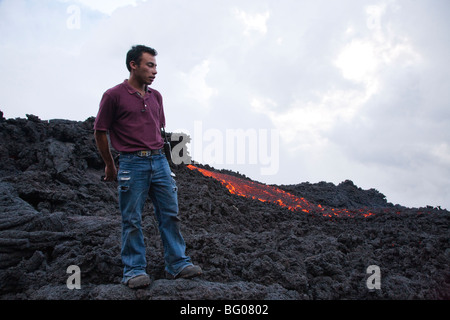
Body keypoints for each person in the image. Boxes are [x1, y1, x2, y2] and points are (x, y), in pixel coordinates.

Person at [94, 45, 202, 289]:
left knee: (170, 214)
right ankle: (133, 270)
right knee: (131, 219)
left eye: (155, 66)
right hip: (132, 163)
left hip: (159, 161)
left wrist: (170, 160)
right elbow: (100, 131)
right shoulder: (113, 95)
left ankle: (178, 264)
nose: (154, 71)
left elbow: (157, 128)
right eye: (149, 65)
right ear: (133, 65)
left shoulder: (156, 96)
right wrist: (110, 165)